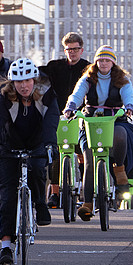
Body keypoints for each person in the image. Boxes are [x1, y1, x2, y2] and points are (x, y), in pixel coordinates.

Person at [0, 58, 58, 265]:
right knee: (7, 196)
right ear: (12, 83)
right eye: (19, 82)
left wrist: (50, 145)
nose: (23, 86)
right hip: (9, 147)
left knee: (37, 169)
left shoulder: (47, 95)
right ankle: (6, 247)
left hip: (37, 144)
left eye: (27, 81)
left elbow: (51, 123)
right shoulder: (5, 98)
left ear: (34, 80)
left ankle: (40, 204)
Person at [63, 45, 133, 220]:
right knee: (89, 158)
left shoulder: (122, 79)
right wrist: (70, 108)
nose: (103, 63)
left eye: (107, 60)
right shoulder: (87, 79)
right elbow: (76, 95)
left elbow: (129, 96)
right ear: (96, 62)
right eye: (100, 60)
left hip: (115, 119)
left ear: (113, 63)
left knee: (122, 134)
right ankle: (87, 203)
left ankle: (119, 169)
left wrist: (129, 108)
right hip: (90, 121)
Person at [41, 32, 90, 207]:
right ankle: (54, 194)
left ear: (81, 50)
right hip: (58, 115)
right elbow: (38, 78)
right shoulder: (55, 67)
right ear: (64, 50)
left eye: (75, 49)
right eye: (69, 49)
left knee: (83, 152)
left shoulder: (89, 68)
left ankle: (86, 190)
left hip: (81, 116)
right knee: (55, 152)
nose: (72, 52)